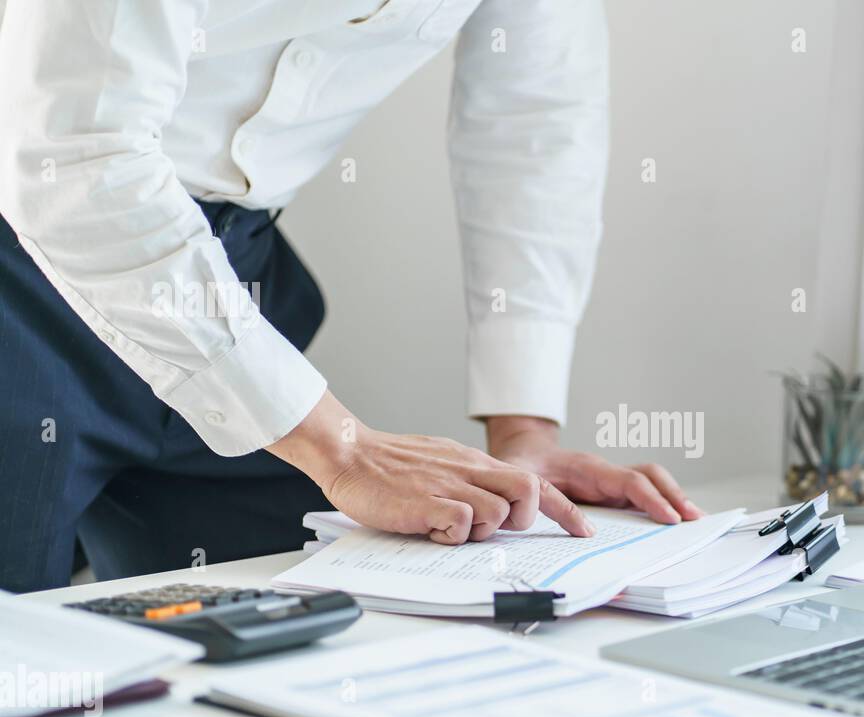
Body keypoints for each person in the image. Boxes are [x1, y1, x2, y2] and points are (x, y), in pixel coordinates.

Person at [0, 0, 700, 594]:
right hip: (24, 266)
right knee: (24, 677)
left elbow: (538, 124)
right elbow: (78, 158)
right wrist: (342, 448)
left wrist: (524, 433)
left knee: (281, 655)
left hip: (230, 284)